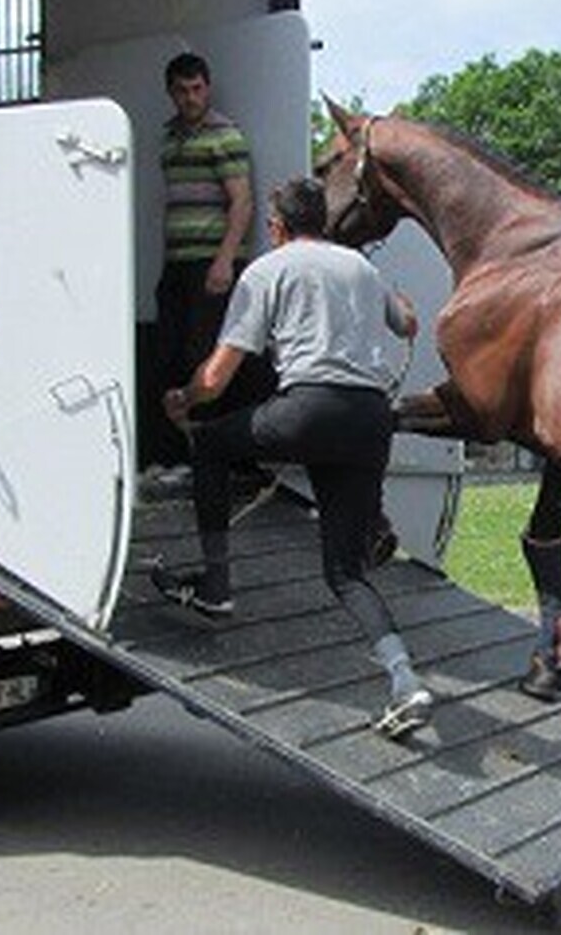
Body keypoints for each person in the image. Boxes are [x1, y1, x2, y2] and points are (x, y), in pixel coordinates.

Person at [156, 177, 432, 740]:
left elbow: (218, 376)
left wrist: (183, 399)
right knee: (345, 573)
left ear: (277, 226)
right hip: (369, 420)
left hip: (309, 410)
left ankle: (216, 587)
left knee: (211, 443)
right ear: (322, 221)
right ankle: (406, 681)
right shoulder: (361, 268)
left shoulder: (266, 271)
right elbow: (407, 323)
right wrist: (400, 304)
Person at [146, 51, 275, 482]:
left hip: (212, 262)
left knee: (207, 357)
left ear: (208, 88)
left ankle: (217, 458)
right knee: (169, 356)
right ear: (171, 93)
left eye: (197, 89)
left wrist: (224, 261)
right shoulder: (169, 138)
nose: (190, 98)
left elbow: (242, 201)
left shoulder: (224, 135)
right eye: (182, 91)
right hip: (177, 263)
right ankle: (180, 455)